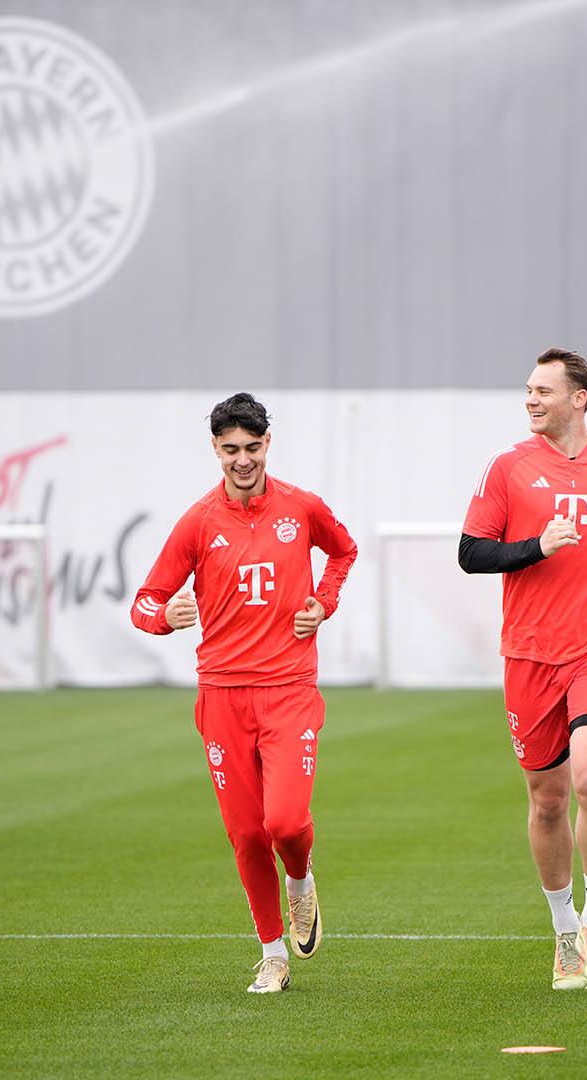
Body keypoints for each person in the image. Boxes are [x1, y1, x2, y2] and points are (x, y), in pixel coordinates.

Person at [459, 348, 587, 990]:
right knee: (547, 802)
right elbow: (472, 553)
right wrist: (535, 548)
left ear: (578, 399)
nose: (531, 400)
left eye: (543, 391)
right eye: (528, 389)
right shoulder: (509, 468)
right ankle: (562, 932)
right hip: (528, 657)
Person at [131, 392, 357, 993]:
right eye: (230, 449)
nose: (241, 460)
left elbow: (344, 550)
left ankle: (301, 882)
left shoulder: (301, 507)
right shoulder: (199, 521)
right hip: (223, 697)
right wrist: (165, 617)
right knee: (246, 834)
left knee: (283, 822)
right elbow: (145, 601)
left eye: (251, 448)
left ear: (267, 445)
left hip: (288, 690)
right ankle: (272, 953)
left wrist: (323, 603)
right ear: (215, 449)